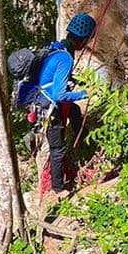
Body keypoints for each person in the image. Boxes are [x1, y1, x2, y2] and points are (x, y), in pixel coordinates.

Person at [31, 12, 96, 197]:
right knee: (57, 148)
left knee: (74, 111)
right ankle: (58, 189)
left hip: (41, 98)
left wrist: (75, 81)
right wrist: (83, 93)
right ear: (83, 40)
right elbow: (59, 95)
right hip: (49, 108)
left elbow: (54, 74)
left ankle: (85, 141)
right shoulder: (66, 57)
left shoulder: (58, 46)